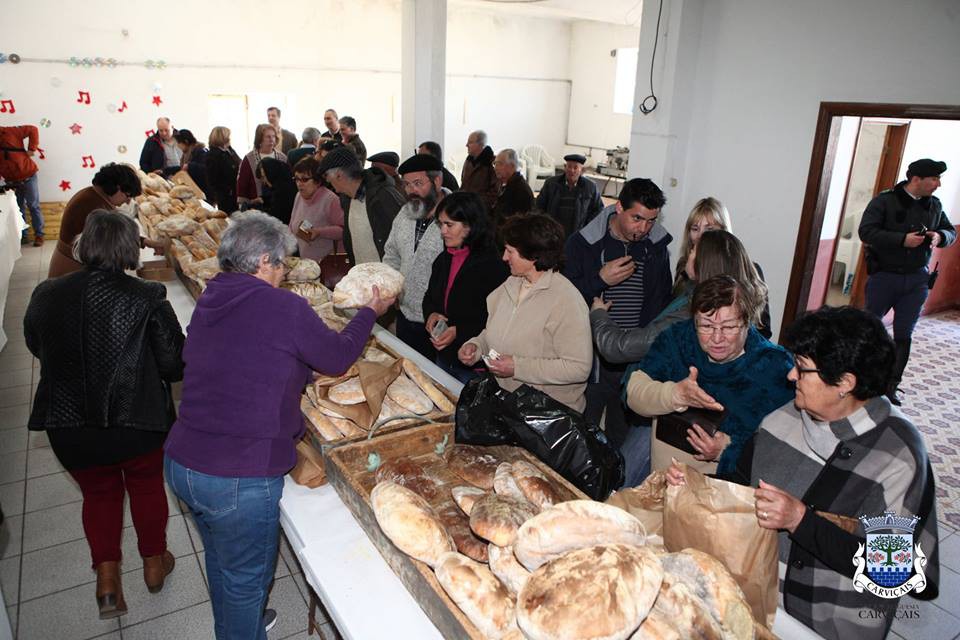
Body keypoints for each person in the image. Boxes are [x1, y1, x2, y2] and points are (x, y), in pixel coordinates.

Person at [164, 211, 394, 640]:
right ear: (264, 260)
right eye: (283, 263)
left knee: (222, 562)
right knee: (245, 579)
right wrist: (369, 312)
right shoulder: (283, 305)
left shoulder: (213, 296)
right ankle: (242, 627)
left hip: (184, 462)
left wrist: (288, 372)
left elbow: (233, 355)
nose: (286, 271)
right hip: (237, 475)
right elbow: (338, 356)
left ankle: (239, 620)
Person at [666, 306, 940, 640]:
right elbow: (739, 485)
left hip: (830, 625)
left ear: (845, 383)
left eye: (802, 369)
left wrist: (800, 520)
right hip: (754, 602)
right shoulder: (780, 421)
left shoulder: (898, 455)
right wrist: (696, 488)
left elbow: (898, 569)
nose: (790, 377)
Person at [25, 210, 185, 619]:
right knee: (147, 487)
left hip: (70, 425)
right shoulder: (147, 296)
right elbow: (174, 364)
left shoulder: (46, 292)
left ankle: (108, 582)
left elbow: (35, 342)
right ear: (130, 249)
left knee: (99, 494)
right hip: (137, 423)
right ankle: (153, 564)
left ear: (86, 244)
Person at [593, 230, 768, 486]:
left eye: (695, 249)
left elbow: (620, 347)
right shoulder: (690, 297)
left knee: (621, 487)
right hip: (667, 417)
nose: (689, 252)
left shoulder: (689, 314)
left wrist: (598, 315)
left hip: (671, 426)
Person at [625, 275, 795, 476]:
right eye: (706, 326)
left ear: (747, 321)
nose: (716, 338)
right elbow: (633, 394)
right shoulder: (677, 339)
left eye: (729, 327)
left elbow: (784, 446)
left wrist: (725, 450)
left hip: (722, 494)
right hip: (662, 482)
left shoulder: (774, 367)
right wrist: (674, 394)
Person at [564, 178, 673, 449]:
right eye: (637, 218)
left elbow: (662, 303)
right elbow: (563, 298)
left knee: (619, 441)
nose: (644, 228)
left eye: (651, 220)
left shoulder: (656, 247)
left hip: (634, 361)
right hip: (590, 360)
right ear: (618, 208)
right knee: (581, 435)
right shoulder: (582, 243)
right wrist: (599, 279)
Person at [459, 214, 592, 412]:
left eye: (510, 251)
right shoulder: (512, 283)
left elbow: (578, 368)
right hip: (508, 403)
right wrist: (477, 346)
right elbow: (500, 330)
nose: (504, 257)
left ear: (533, 256)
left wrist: (518, 367)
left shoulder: (566, 300)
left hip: (547, 414)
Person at [859, 158, 955, 405]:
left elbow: (950, 232)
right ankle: (860, 379)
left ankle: (891, 385)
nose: (938, 184)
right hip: (884, 277)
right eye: (934, 179)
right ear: (916, 180)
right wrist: (901, 240)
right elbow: (866, 231)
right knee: (869, 329)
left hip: (916, 280)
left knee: (904, 335)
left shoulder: (934, 205)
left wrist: (939, 236)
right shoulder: (885, 201)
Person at [423, 192, 509, 383]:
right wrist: (431, 314)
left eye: (449, 225)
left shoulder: (493, 265)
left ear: (470, 226)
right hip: (444, 357)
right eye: (440, 224)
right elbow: (430, 297)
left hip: (474, 365)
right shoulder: (443, 259)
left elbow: (498, 318)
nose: (443, 231)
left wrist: (459, 331)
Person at [670, 197, 771, 338]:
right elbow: (676, 316)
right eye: (695, 229)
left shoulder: (750, 269)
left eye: (709, 229)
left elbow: (763, 329)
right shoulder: (684, 266)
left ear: (724, 231)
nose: (700, 236)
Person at [383, 154, 449, 358]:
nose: (412, 191)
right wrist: (391, 287)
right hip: (405, 314)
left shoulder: (456, 216)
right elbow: (391, 254)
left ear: (437, 181)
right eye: (407, 184)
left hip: (440, 322)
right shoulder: (405, 212)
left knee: (438, 383)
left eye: (418, 183)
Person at [48, 163, 163, 278]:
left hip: (75, 263)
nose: (128, 201)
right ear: (118, 188)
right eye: (127, 196)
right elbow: (115, 236)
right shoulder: (92, 203)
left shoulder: (94, 195)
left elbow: (117, 231)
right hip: (73, 267)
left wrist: (146, 242)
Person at [318, 146, 405, 265]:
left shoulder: (384, 196)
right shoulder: (347, 198)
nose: (327, 180)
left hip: (387, 278)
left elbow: (404, 243)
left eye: (326, 175)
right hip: (363, 277)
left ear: (338, 175)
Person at [288, 157, 344, 262]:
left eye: (304, 179)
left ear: (318, 181)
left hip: (328, 265)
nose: (299, 183)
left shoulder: (331, 200)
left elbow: (344, 231)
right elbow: (292, 225)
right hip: (307, 264)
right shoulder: (298, 196)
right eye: (296, 179)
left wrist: (319, 232)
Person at [535, 153, 603, 238]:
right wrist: (544, 225)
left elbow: (599, 209)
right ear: (565, 167)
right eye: (569, 166)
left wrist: (586, 227)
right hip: (552, 232)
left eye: (575, 167)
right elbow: (539, 205)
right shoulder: (551, 183)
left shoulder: (591, 187)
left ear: (582, 170)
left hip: (577, 234)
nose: (572, 170)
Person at [0, 124, 44, 245]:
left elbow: (33, 129)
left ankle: (39, 235)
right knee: (18, 208)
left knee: (33, 205)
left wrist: (32, 148)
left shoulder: (11, 131)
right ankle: (23, 236)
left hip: (29, 176)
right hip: (12, 181)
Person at [237, 124, 288, 208]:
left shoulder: (282, 158)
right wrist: (246, 203)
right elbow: (242, 184)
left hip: (279, 205)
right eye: (268, 137)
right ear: (260, 139)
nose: (271, 140)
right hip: (256, 205)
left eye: (273, 136)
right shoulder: (249, 159)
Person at [491, 148, 535, 228]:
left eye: (499, 164)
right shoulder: (504, 184)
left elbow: (519, 221)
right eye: (495, 164)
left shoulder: (521, 189)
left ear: (512, 166)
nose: (495, 168)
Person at [205, 126, 241, 214]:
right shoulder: (213, 155)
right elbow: (212, 179)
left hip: (236, 190)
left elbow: (239, 162)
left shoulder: (229, 150)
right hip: (226, 195)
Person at [460, 130, 498, 211]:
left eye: (470, 142)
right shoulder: (468, 161)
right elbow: (464, 184)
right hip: (467, 208)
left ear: (480, 144)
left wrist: (476, 202)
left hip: (482, 210)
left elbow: (495, 192)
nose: (466, 145)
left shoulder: (492, 163)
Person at [256, 157, 297, 225]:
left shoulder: (285, 190)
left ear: (271, 173)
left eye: (264, 176)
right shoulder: (281, 183)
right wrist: (263, 199)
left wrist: (255, 211)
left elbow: (275, 216)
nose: (264, 181)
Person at [173, 129, 208, 196]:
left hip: (203, 191)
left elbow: (205, 169)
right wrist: (165, 170)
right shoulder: (186, 154)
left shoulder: (200, 151)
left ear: (186, 142)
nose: (178, 146)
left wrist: (190, 166)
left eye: (179, 143)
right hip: (193, 189)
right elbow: (182, 168)